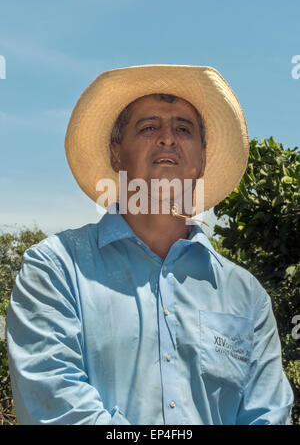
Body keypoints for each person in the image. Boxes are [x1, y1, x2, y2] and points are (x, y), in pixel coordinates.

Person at [6, 65, 294, 425]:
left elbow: (267, 414)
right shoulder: (55, 269)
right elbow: (55, 405)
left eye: (183, 129)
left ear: (202, 157)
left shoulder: (245, 295)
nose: (167, 138)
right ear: (116, 154)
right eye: (148, 127)